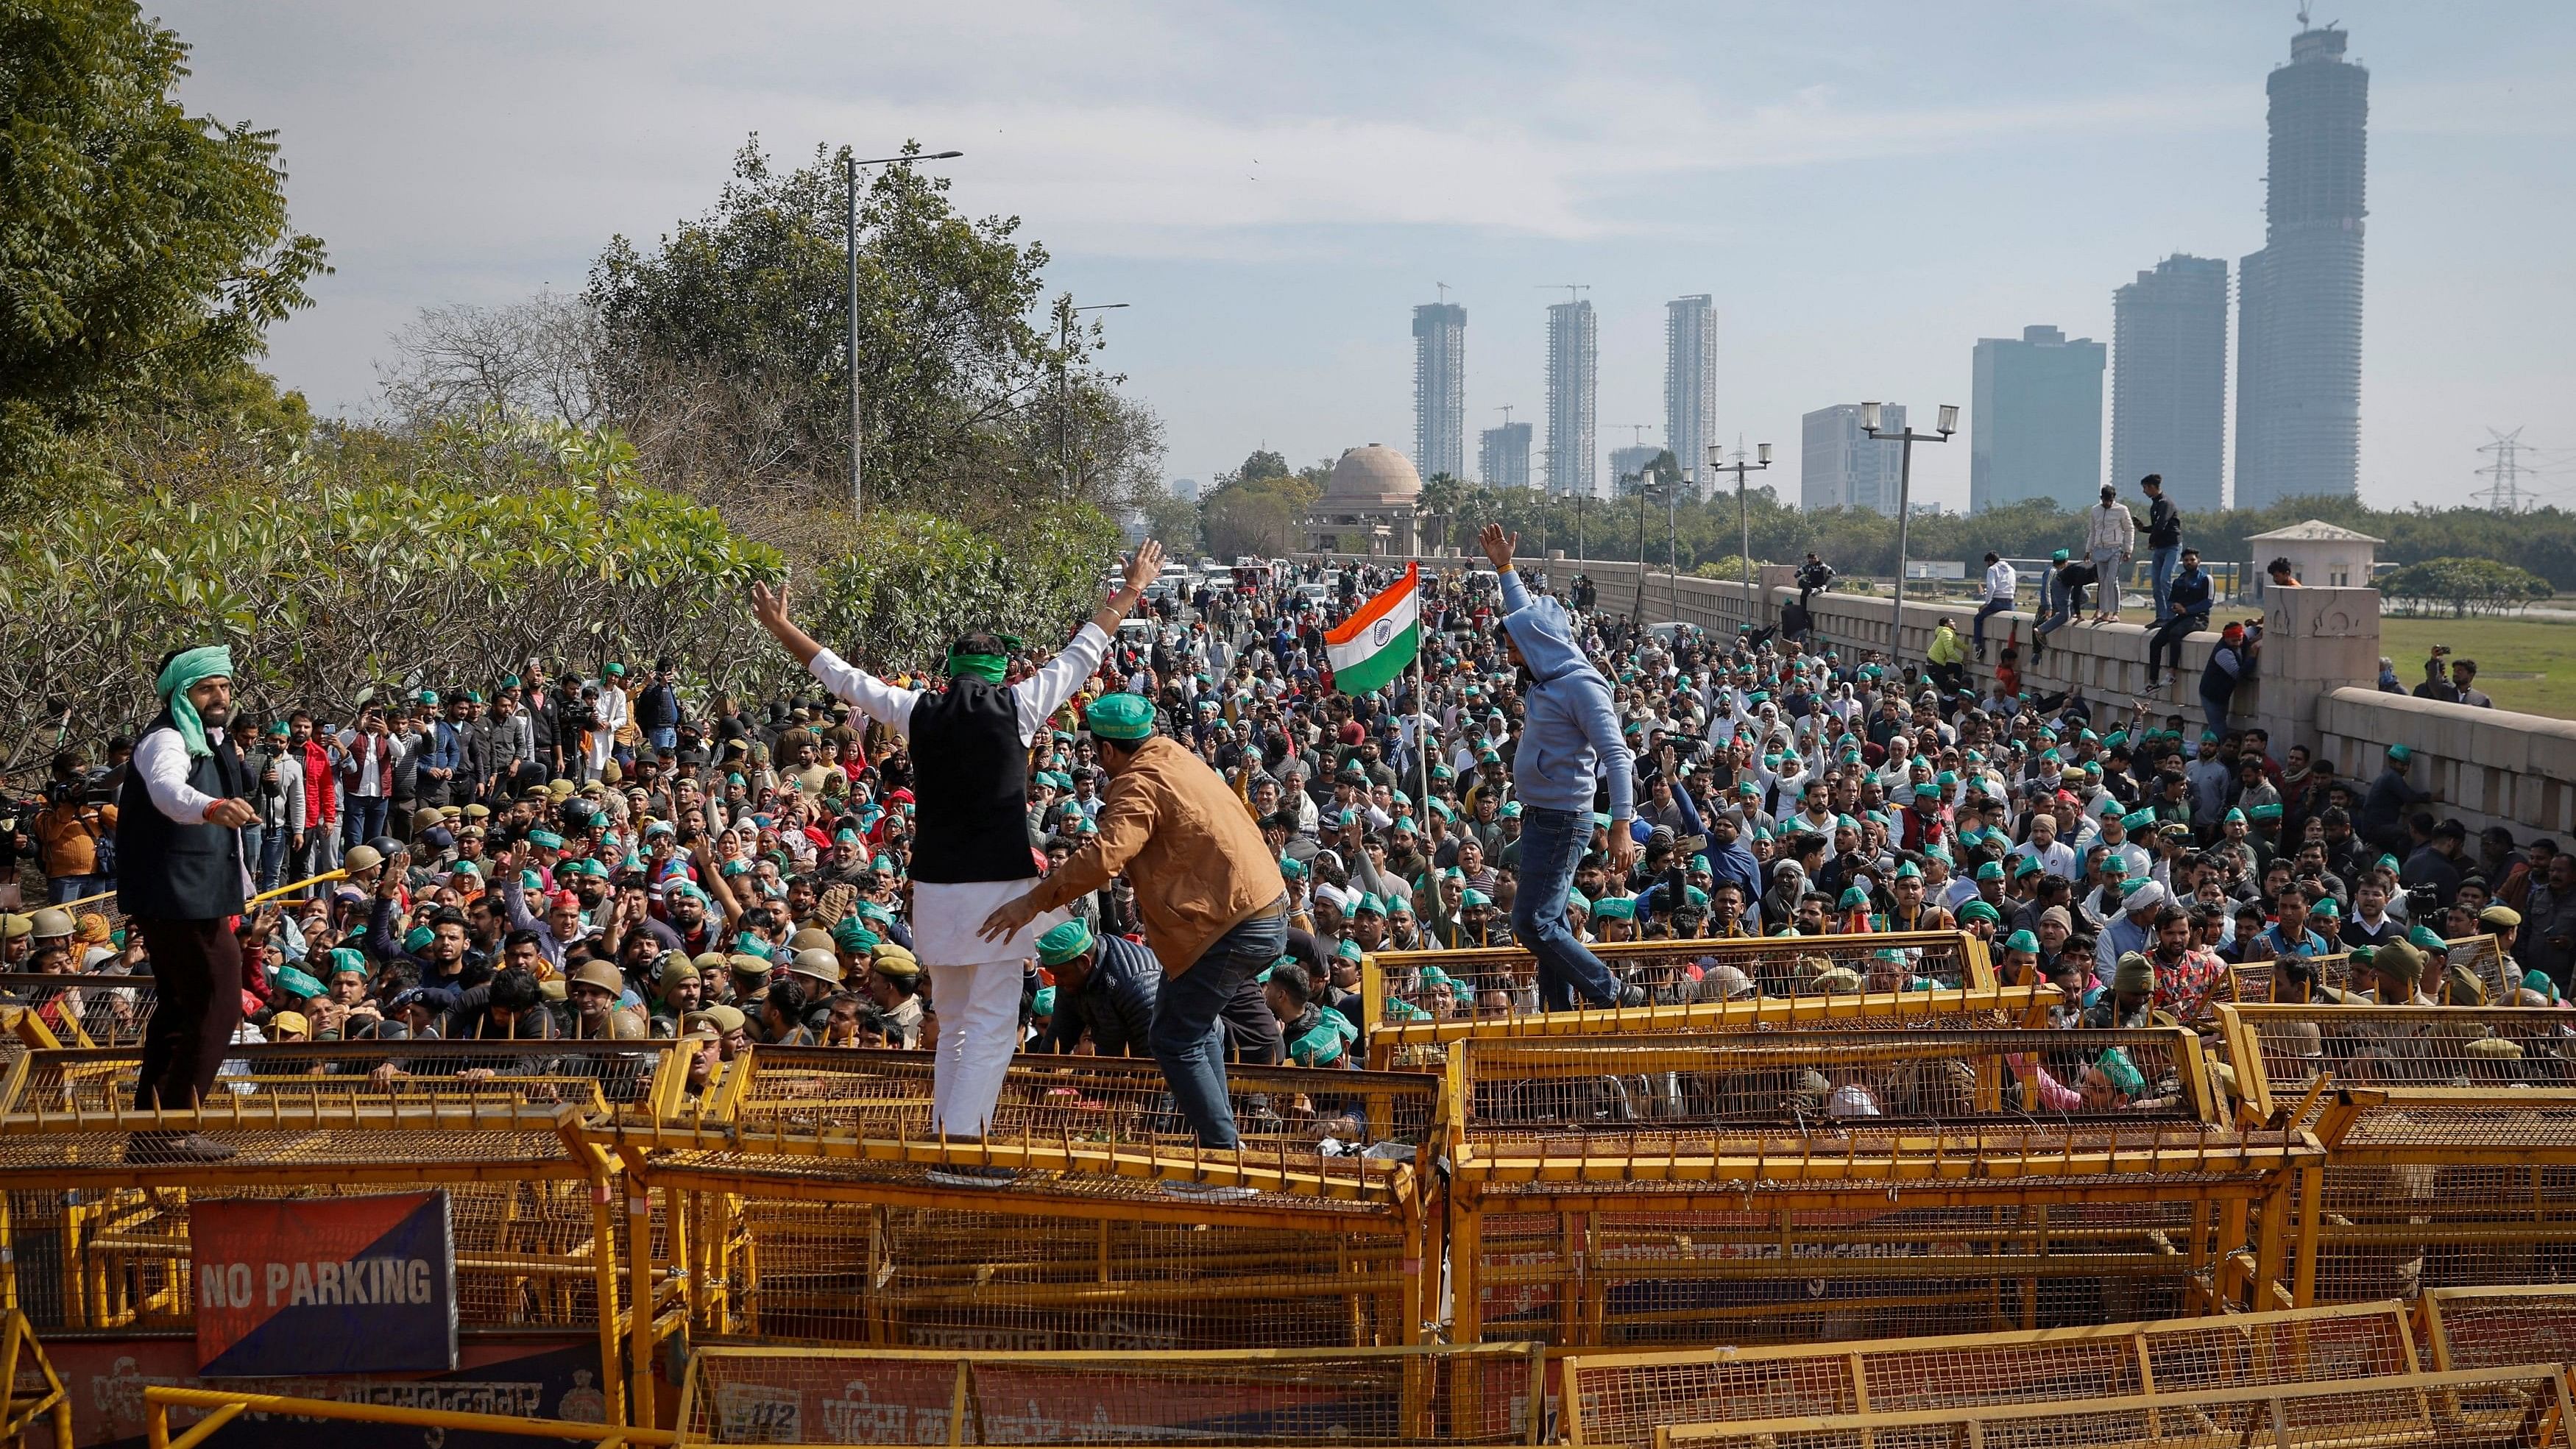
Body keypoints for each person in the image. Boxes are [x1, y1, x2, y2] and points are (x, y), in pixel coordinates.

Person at [750, 538, 1158, 1161]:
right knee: (991, 1027)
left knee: (957, 1024)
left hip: (936, 897)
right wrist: (1129, 590)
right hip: (999, 894)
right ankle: (962, 1150)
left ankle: (946, 1135)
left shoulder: (919, 710)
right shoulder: (1021, 704)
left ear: (951, 670)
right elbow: (1084, 651)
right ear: (1002, 673)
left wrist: (784, 628)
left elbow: (844, 677)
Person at [978, 693, 1287, 1185]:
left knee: (1172, 1035)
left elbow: (1104, 858)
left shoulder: (1137, 780)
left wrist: (1031, 902)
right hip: (1245, 913)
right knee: (1193, 1026)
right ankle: (1221, 1144)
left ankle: (1223, 1160)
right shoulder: (1172, 755)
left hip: (1229, 922)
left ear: (1104, 753)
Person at [1481, 523, 1638, 1009]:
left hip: (1564, 819)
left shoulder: (1581, 686)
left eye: (1514, 649)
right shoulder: (1546, 671)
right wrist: (1505, 568)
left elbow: (1617, 755)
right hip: (1538, 816)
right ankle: (1558, 1009)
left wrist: (1621, 826)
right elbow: (1531, 615)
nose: (1509, 657)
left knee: (1533, 922)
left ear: (1536, 648)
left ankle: (1616, 992)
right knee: (1543, 922)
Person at [116, 645, 260, 1163]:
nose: (220, 696)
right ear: (181, 693)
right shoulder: (168, 739)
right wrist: (213, 806)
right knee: (219, 1002)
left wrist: (242, 884)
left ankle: (151, 1130)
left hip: (193, 893)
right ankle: (172, 1129)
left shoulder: (210, 740)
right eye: (207, 688)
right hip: (176, 896)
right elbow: (167, 792)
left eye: (224, 686)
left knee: (181, 1009)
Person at [2143, 549, 2212, 694]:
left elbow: (2208, 602)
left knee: (2175, 634)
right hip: (2181, 617)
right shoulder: (2180, 580)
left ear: (2198, 561)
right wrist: (2176, 607)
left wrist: (2187, 610)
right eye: (2186, 560)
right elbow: (2172, 600)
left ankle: (2172, 674)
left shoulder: (2205, 579)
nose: (2189, 563)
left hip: (2199, 618)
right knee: (2156, 642)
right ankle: (2152, 681)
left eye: (2192, 560)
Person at [2198, 620, 2258, 740]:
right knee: (2219, 729)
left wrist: (2259, 626)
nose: (2237, 643)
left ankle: (2205, 748)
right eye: (2233, 641)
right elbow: (2238, 674)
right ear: (2225, 638)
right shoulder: (2223, 652)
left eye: (2239, 639)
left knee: (2216, 725)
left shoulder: (2242, 638)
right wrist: (2252, 657)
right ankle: (2216, 754)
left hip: (2222, 694)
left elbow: (2255, 630)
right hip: (2211, 695)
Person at [2083, 484, 2135, 623]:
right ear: (2101, 498)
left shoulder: (2122, 510)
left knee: (2111, 580)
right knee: (2102, 581)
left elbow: (2129, 530)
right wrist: (2088, 550)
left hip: (2115, 549)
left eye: (2110, 501)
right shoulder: (2095, 511)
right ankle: (2104, 612)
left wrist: (2128, 550)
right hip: (2099, 549)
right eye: (2105, 501)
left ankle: (2116, 612)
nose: (2108, 503)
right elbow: (2093, 531)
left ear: (2114, 498)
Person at [2138, 475, 2182, 623]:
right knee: (2156, 584)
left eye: (2145, 488)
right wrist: (2143, 529)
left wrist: (2151, 540)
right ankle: (2161, 617)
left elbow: (2162, 524)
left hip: (2172, 546)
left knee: (2165, 579)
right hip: (2160, 547)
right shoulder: (2154, 505)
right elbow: (2156, 527)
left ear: (2151, 487)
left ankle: (2173, 615)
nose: (2144, 491)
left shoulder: (2166, 503)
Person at [1972, 553, 2015, 662]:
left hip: (1997, 602)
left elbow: (1991, 586)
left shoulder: (1992, 569)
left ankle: (1978, 646)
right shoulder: (2011, 569)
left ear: (1990, 561)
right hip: (2010, 602)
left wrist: (1986, 603)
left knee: (1978, 619)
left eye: (1987, 562)